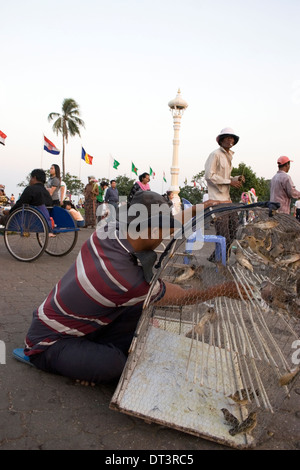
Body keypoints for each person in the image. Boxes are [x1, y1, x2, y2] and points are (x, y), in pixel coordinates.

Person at [22, 190, 249, 386]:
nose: (167, 235)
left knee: (140, 314)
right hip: (49, 343)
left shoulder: (108, 232)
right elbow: (183, 297)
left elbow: (167, 225)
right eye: (163, 230)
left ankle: (89, 355)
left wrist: (205, 206)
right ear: (151, 230)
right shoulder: (124, 279)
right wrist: (222, 289)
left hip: (70, 321)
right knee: (116, 364)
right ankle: (81, 362)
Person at [204, 127, 245, 261]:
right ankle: (220, 261)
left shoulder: (228, 156)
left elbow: (226, 176)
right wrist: (229, 182)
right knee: (223, 234)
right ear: (221, 141)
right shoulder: (215, 154)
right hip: (216, 201)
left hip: (226, 200)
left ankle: (217, 257)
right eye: (227, 137)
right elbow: (209, 176)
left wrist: (236, 178)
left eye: (232, 138)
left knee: (234, 230)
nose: (230, 140)